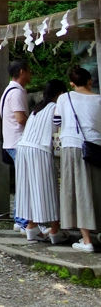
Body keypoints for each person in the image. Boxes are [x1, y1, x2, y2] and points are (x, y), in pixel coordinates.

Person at [14, 79, 69, 243]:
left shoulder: (37, 108)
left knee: (29, 188)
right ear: (60, 94)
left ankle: (31, 226)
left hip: (23, 147)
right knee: (48, 189)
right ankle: (54, 229)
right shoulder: (55, 108)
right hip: (40, 149)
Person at [53, 66, 101, 253]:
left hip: (72, 145)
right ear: (90, 81)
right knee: (95, 188)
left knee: (77, 189)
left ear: (72, 83)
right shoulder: (98, 99)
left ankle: (86, 239)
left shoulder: (65, 98)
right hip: (95, 146)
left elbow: (57, 122)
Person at [1, 59, 31, 229]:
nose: (30, 74)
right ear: (22, 72)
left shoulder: (9, 90)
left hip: (11, 140)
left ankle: (20, 217)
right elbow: (20, 119)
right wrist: (35, 121)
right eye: (29, 70)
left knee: (23, 181)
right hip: (18, 141)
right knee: (24, 182)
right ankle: (21, 220)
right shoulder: (17, 92)